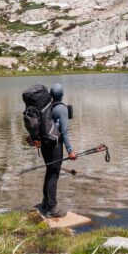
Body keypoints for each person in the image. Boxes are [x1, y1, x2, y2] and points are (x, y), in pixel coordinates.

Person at [32, 83, 74, 218]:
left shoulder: (46, 106)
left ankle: (45, 203)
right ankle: (52, 208)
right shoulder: (62, 109)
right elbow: (65, 132)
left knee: (49, 171)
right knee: (54, 174)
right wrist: (70, 150)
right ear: (62, 94)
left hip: (44, 144)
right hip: (55, 145)